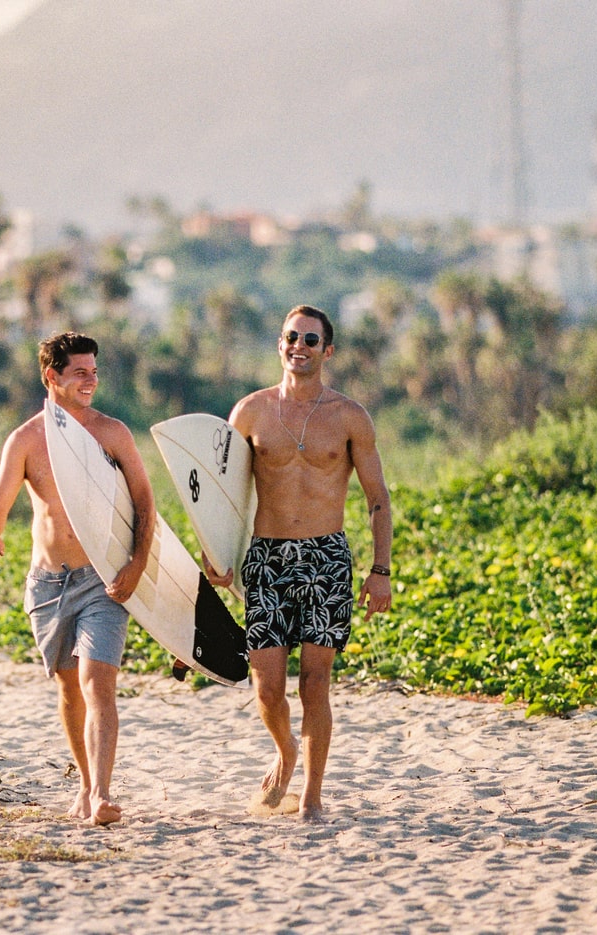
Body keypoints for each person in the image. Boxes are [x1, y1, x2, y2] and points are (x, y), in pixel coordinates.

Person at [206, 305, 393, 822]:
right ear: (280, 343)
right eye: (291, 337)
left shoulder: (350, 416)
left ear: (326, 350)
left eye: (311, 340)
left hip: (326, 558)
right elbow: (220, 493)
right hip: (266, 559)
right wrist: (214, 551)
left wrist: (381, 570)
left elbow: (378, 498)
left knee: (315, 683)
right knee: (266, 687)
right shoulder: (250, 412)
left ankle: (310, 795)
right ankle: (285, 749)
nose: (299, 346)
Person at [0, 331, 155, 826]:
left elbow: (144, 500)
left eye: (94, 372)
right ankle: (82, 782)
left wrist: (136, 564)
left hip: (104, 579)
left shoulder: (113, 432)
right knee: (68, 689)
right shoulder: (27, 440)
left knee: (97, 681)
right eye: (80, 372)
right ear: (51, 376)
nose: (90, 381)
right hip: (48, 584)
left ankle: (100, 793)